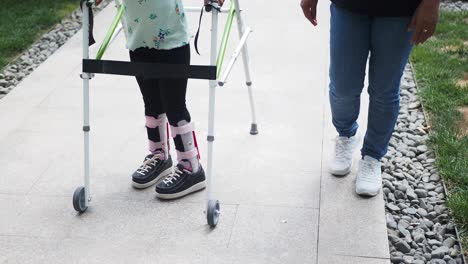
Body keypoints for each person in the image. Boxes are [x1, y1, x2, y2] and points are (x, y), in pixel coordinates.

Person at [300, 0, 439, 196]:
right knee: (343, 86)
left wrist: (431, 3)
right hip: (348, 6)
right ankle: (346, 134)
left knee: (384, 90)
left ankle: (372, 156)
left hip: (401, 10)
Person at [95, 0, 223, 199]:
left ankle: (191, 167)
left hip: (171, 39)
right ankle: (159, 155)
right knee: (152, 102)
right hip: (138, 37)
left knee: (174, 105)